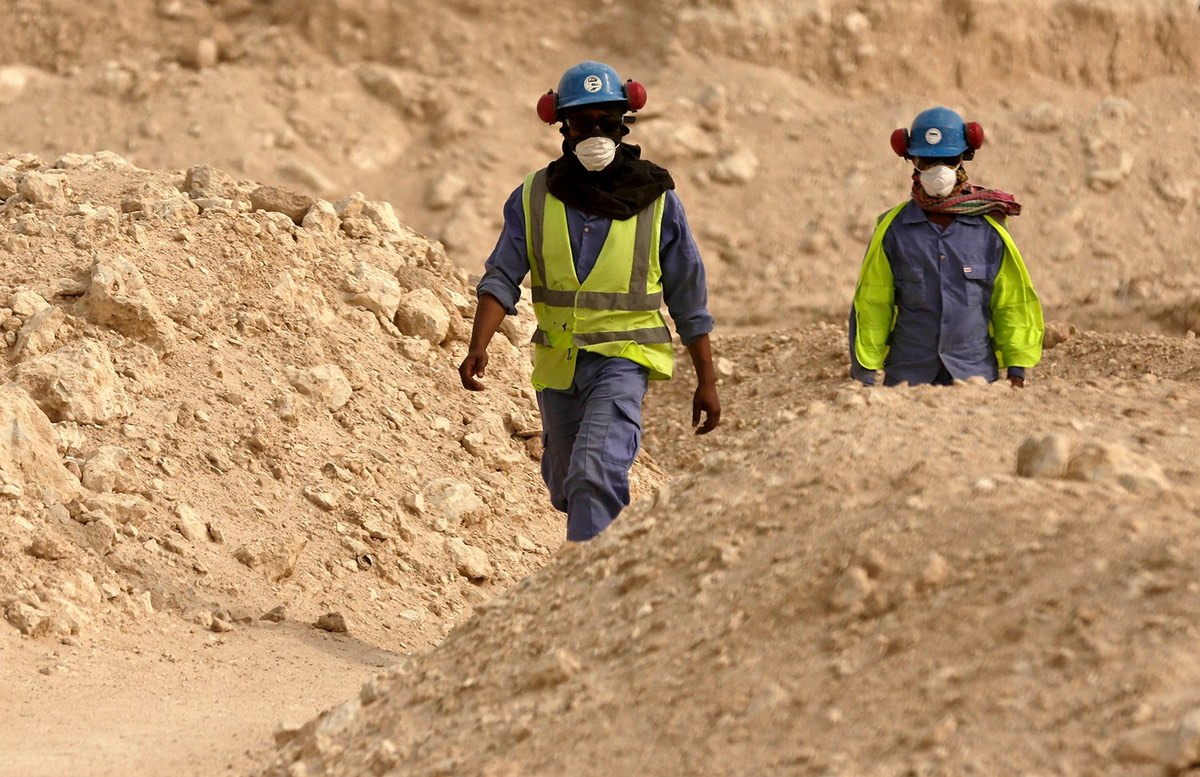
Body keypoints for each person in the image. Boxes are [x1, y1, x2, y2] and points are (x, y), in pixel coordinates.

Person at [458, 61, 721, 542]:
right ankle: (612, 565)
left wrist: (706, 379)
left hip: (624, 361)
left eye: (606, 121)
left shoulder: (657, 199)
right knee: (566, 484)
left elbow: (689, 296)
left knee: (594, 473)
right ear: (562, 125)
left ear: (625, 121)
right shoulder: (533, 196)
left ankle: (589, 600)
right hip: (559, 365)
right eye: (583, 123)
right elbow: (502, 275)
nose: (595, 133)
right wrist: (479, 343)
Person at [849, 106, 1044, 388]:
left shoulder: (990, 230)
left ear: (963, 158)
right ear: (911, 159)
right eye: (927, 161)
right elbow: (872, 304)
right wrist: (865, 373)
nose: (937, 168)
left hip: (974, 377)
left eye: (947, 158)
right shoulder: (892, 229)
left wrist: (1017, 371)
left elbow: (1011, 301)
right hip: (907, 378)